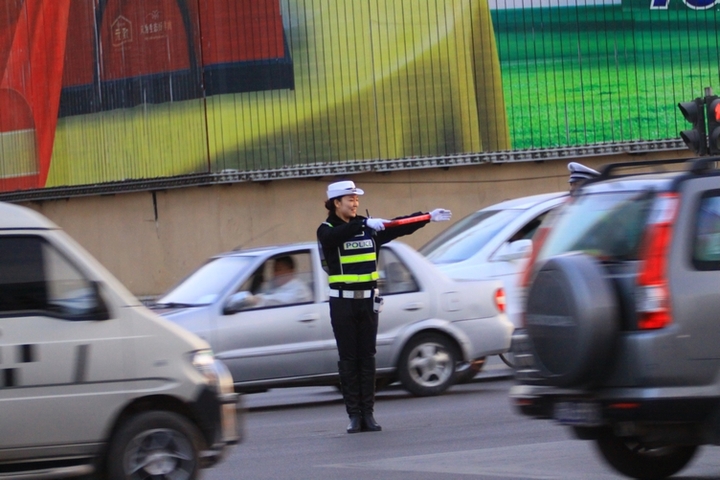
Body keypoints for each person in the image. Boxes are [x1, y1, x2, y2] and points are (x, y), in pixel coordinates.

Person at [316, 180, 452, 434]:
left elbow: (399, 225)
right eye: (350, 199)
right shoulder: (326, 230)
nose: (355, 203)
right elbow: (335, 237)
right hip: (342, 303)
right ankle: (353, 416)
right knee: (349, 360)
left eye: (357, 200)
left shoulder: (370, 229)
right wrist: (363, 223)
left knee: (367, 359)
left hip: (368, 302)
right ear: (336, 203)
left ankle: (368, 414)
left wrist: (427, 217)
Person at [242, 256, 313, 308]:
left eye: (279, 270)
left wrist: (256, 299)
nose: (275, 274)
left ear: (291, 271)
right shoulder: (275, 287)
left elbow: (279, 300)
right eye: (274, 270)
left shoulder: (300, 290)